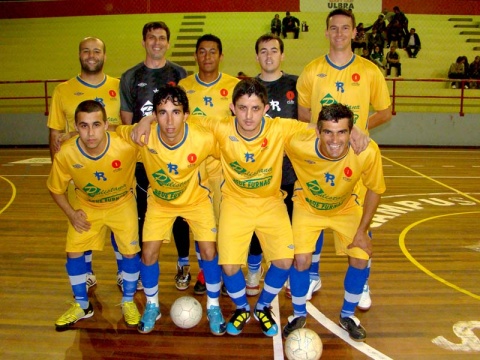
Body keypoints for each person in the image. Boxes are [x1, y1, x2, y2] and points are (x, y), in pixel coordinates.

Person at [130, 78, 313, 337]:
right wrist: (145, 120)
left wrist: (356, 131)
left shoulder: (280, 128)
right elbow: (179, 118)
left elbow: (320, 129)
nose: (248, 116)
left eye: (255, 108)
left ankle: (261, 307)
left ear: (266, 109)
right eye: (242, 108)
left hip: (270, 202)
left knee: (284, 261)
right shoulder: (219, 127)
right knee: (228, 266)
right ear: (231, 108)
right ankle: (240, 308)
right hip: (235, 203)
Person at [296, 8, 392, 310]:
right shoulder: (312, 70)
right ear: (326, 32)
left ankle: (362, 283)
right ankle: (312, 274)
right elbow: (302, 114)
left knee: (359, 215)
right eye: (333, 28)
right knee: (317, 209)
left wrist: (361, 129)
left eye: (345, 28)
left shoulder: (370, 70)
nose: (339, 33)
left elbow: (385, 111)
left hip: (356, 156)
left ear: (354, 33)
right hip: (323, 154)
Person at [117, 85, 226, 336]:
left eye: (176, 112)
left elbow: (230, 150)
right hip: (161, 202)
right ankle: (152, 305)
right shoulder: (144, 134)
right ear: (154, 115)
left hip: (197, 200)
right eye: (162, 112)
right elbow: (110, 132)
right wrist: (70, 135)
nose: (169, 120)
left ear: (186, 115)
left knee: (209, 250)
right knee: (148, 252)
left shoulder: (203, 137)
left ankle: (213, 305)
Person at [282, 103, 385, 341]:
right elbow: (270, 129)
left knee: (361, 256)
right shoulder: (298, 143)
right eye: (328, 131)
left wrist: (362, 230)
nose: (335, 139)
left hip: (346, 207)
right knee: (300, 260)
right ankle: (298, 314)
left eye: (342, 132)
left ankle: (348, 315)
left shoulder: (366, 151)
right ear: (317, 132)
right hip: (307, 206)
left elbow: (375, 190)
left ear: (352, 133)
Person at [47, 100, 141, 331]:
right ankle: (81, 305)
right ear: (75, 127)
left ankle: (128, 301)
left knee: (130, 252)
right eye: (84, 126)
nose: (90, 133)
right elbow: (55, 189)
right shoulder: (66, 153)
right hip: (87, 207)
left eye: (96, 125)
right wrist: (70, 213)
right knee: (74, 250)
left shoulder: (126, 145)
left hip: (122, 204)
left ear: (106, 124)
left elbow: (155, 139)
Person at [47, 37, 123, 290]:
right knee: (83, 223)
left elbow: (125, 128)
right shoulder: (63, 90)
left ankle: (123, 272)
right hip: (80, 171)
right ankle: (87, 271)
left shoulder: (118, 86)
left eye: (97, 51)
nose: (91, 55)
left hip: (116, 169)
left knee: (119, 225)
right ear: (79, 55)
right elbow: (56, 133)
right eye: (86, 51)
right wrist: (58, 168)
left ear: (104, 55)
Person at [120, 21, 188, 291]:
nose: (157, 42)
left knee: (181, 211)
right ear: (143, 41)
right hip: (142, 160)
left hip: (176, 157)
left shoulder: (180, 73)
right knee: (143, 214)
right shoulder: (129, 76)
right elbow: (127, 123)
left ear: (168, 43)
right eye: (151, 38)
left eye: (162, 38)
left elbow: (186, 115)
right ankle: (140, 266)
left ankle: (183, 263)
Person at [178, 34, 240, 294]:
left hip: (224, 167)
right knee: (200, 223)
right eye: (202, 52)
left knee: (225, 223)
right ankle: (206, 272)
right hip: (194, 167)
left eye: (212, 52)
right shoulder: (184, 85)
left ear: (221, 56)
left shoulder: (234, 86)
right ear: (196, 56)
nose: (207, 57)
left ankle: (227, 272)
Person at [243, 33, 300, 297]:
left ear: (282, 55)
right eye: (263, 51)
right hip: (257, 173)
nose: (269, 55)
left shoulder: (295, 85)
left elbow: (303, 129)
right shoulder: (247, 86)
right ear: (257, 56)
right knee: (255, 223)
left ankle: (284, 270)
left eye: (274, 50)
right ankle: (254, 267)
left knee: (288, 223)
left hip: (289, 171)